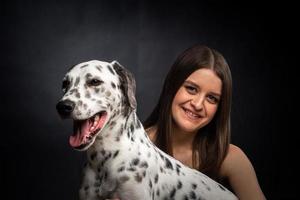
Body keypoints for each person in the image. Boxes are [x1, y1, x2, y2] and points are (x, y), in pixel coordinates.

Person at [143, 44, 266, 199]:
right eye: (191, 89)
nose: (198, 104)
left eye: (211, 98)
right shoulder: (135, 146)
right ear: (172, 86)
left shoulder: (231, 158)